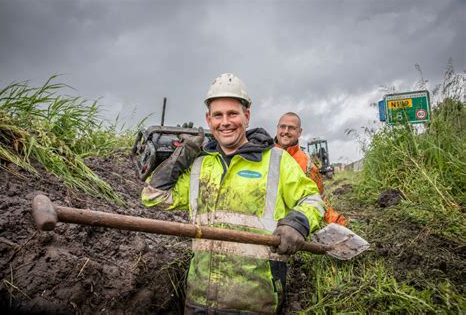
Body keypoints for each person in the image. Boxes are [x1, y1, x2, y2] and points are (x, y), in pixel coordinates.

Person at [141, 73, 325, 314]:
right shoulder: (199, 165)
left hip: (255, 302)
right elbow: (153, 196)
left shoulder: (277, 161)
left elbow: (312, 199)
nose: (225, 122)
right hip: (199, 302)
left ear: (247, 116)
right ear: (208, 120)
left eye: (232, 114)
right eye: (218, 115)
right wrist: (182, 155)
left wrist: (297, 223)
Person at [275, 112, 348, 226]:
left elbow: (318, 201)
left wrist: (340, 223)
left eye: (292, 128)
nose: (286, 131)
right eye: (282, 127)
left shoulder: (308, 166)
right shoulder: (264, 155)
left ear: (299, 132)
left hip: (292, 228)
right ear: (277, 128)